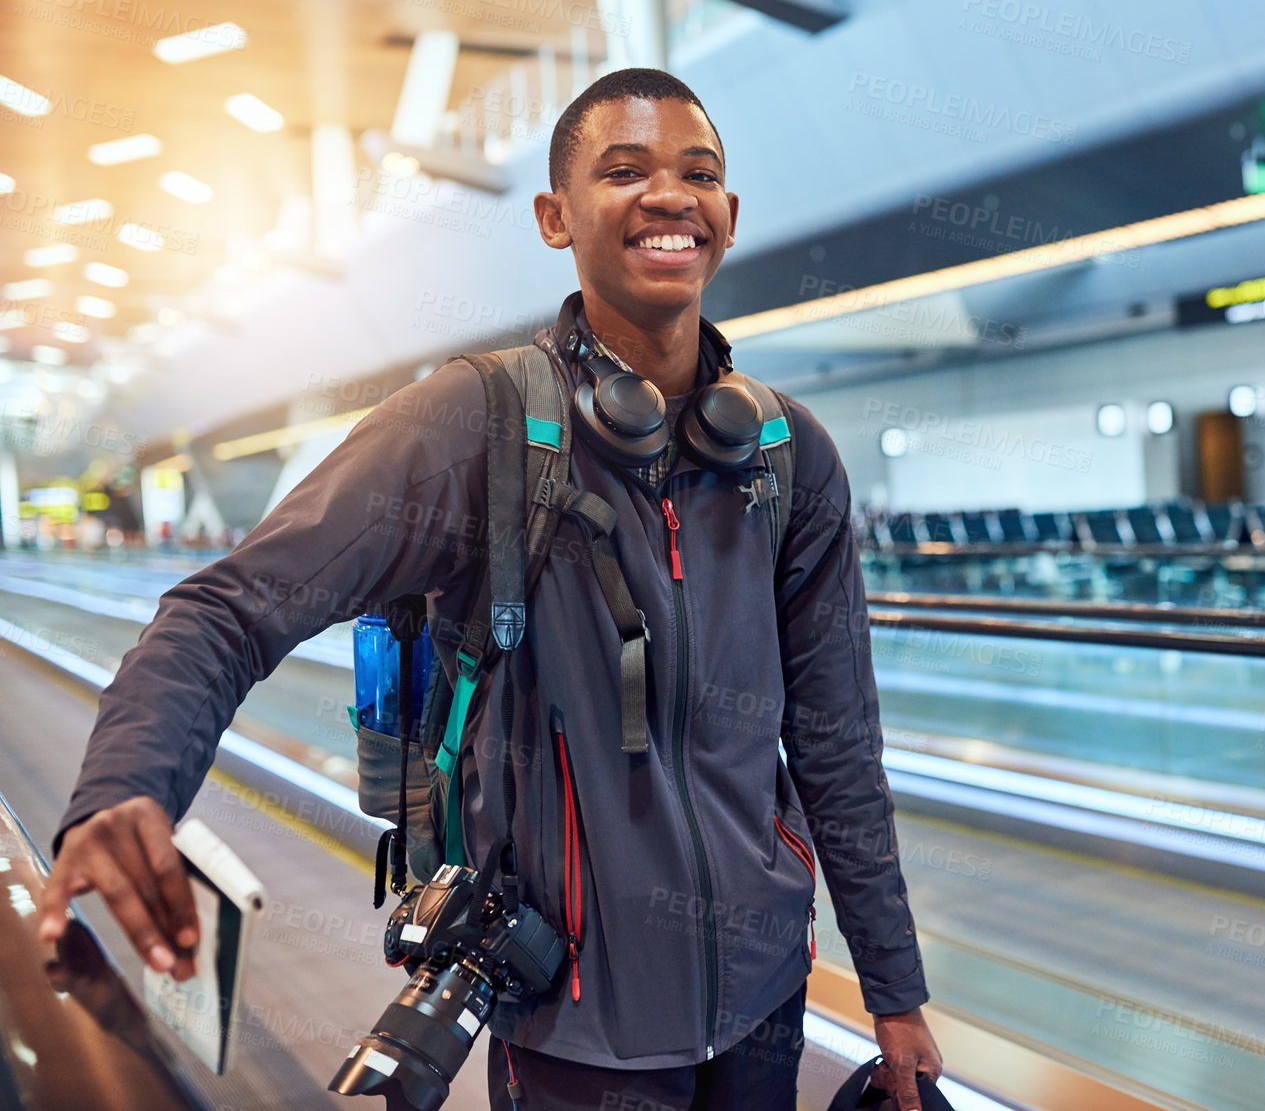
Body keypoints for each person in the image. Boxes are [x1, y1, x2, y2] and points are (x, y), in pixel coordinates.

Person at [38, 67, 942, 1111]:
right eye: (623, 170)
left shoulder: (785, 456)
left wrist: (894, 991)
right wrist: (123, 788)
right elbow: (230, 606)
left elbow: (838, 743)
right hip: (571, 1028)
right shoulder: (479, 427)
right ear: (556, 217)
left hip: (764, 1008)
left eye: (698, 173)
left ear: (728, 217)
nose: (668, 195)